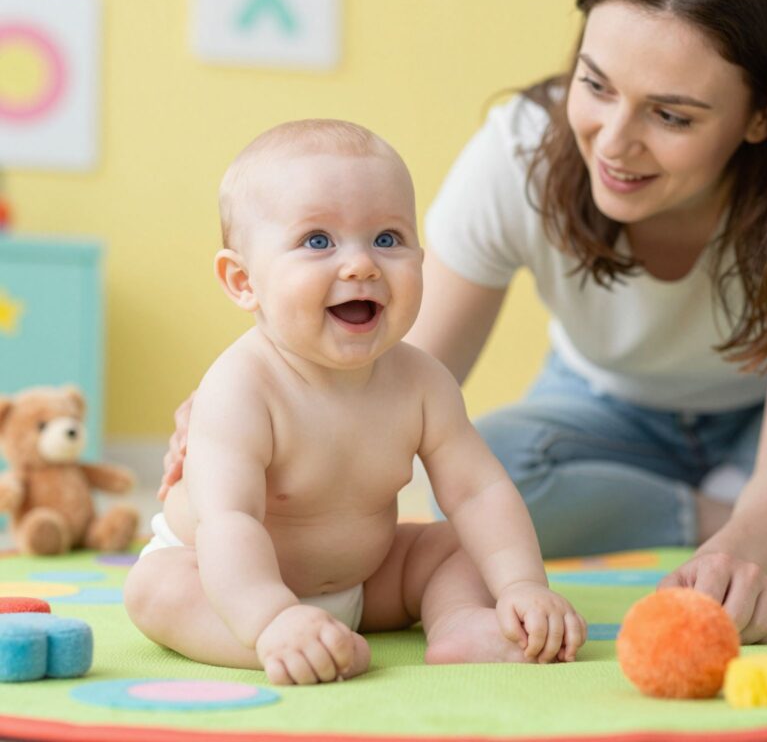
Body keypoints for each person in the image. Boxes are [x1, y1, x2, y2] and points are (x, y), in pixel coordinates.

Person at [161, 0, 767, 646]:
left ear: (763, 117)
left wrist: (742, 560)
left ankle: (755, 505)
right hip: (604, 405)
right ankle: (722, 501)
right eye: (595, 85)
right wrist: (255, 413)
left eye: (671, 115)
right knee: (490, 469)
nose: (612, 140)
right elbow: (400, 373)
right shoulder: (521, 150)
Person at [125, 120, 586, 686]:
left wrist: (522, 585)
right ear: (244, 281)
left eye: (387, 238)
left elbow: (478, 490)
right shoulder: (241, 389)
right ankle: (278, 646)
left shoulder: (422, 382)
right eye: (317, 241)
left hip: (366, 581)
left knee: (452, 546)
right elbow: (230, 522)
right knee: (155, 592)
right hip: (225, 580)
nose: (362, 264)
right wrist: (270, 618)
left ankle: (461, 625)